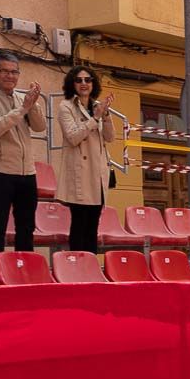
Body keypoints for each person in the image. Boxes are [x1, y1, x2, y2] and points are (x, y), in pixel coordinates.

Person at [0, 51, 46, 276]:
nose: (10, 76)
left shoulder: (21, 98)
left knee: (26, 226)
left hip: (27, 172)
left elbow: (40, 126)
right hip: (0, 171)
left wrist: (32, 105)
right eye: (4, 71)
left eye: (14, 72)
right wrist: (23, 108)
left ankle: (25, 272)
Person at [57, 65, 114, 255]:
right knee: (79, 223)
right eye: (79, 80)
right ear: (72, 84)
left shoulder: (96, 105)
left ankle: (90, 268)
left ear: (93, 84)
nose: (84, 84)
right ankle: (76, 267)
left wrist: (105, 116)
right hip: (80, 173)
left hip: (97, 173)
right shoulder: (66, 106)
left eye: (88, 80)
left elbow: (110, 137)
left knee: (93, 226)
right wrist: (94, 118)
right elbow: (73, 136)